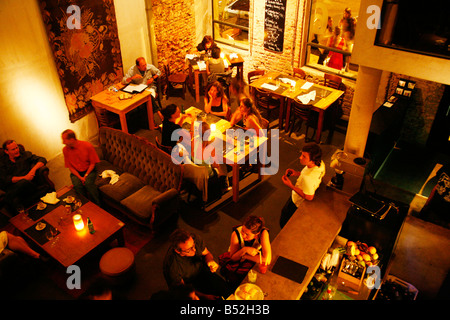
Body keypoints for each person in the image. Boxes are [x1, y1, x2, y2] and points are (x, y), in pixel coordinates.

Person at [163, 229, 230, 299]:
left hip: (202, 272)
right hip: (189, 286)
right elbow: (183, 291)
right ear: (178, 251)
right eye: (189, 249)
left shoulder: (194, 239)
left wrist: (210, 261)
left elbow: (206, 253)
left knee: (226, 290)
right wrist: (205, 296)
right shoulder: (173, 267)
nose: (194, 250)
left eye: (193, 245)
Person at [280, 142, 325, 228]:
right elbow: (308, 175)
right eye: (301, 154)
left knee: (285, 220)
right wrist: (296, 173)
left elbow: (309, 197)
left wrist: (291, 185)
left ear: (312, 160)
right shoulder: (320, 164)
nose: (300, 157)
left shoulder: (308, 178)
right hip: (305, 186)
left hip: (297, 202)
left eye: (304, 156)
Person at [220, 216, 271, 286]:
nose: (243, 235)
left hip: (246, 257)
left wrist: (245, 255)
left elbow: (267, 260)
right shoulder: (236, 234)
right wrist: (245, 250)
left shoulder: (263, 233)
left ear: (256, 235)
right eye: (243, 230)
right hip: (237, 259)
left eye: (247, 234)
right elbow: (233, 257)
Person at [0, 140, 48, 212]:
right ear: (7, 151)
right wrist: (25, 178)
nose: (17, 150)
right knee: (26, 184)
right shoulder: (2, 162)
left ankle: (6, 199)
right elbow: (6, 179)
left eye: (17, 148)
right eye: (13, 149)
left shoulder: (25, 155)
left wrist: (33, 170)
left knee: (25, 183)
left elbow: (42, 159)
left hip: (29, 185)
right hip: (14, 187)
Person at [61, 129, 101, 206]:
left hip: (89, 170)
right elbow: (70, 167)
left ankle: (98, 204)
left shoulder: (87, 145)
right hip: (76, 172)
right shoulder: (65, 150)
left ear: (72, 139)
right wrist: (80, 177)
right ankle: (85, 204)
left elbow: (93, 163)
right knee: (77, 185)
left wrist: (85, 176)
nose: (63, 142)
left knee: (88, 183)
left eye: (64, 140)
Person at [122, 57, 163, 121]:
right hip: (139, 89)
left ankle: (152, 120)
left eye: (145, 64)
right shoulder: (132, 70)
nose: (145, 66)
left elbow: (159, 72)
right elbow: (123, 81)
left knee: (149, 97)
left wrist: (152, 78)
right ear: (138, 66)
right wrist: (132, 77)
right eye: (143, 65)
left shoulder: (150, 67)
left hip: (150, 87)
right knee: (145, 99)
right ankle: (156, 115)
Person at [420, 164, 450, 228]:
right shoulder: (447, 166)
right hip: (432, 212)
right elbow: (437, 186)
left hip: (446, 220)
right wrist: (426, 205)